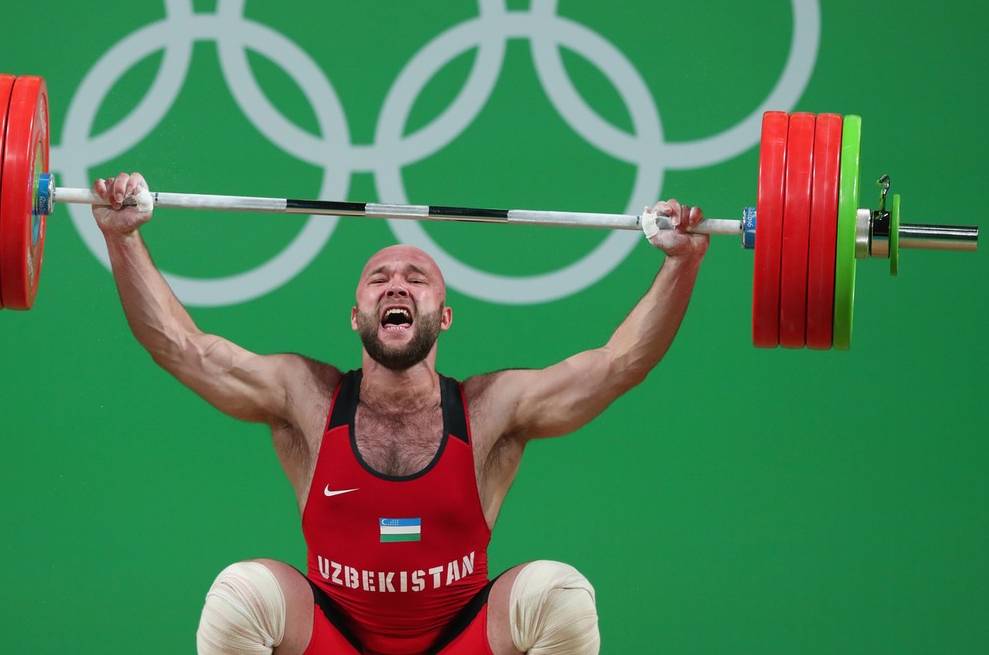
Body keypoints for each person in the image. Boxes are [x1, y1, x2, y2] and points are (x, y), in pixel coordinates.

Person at [92, 172, 708, 655]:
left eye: (417, 279)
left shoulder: (489, 411)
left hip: (461, 643)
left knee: (560, 597)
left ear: (443, 315)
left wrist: (681, 264)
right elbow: (180, 347)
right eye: (378, 279)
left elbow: (619, 364)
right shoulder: (305, 399)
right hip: (331, 642)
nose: (396, 286)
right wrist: (124, 238)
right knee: (241, 597)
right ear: (356, 315)